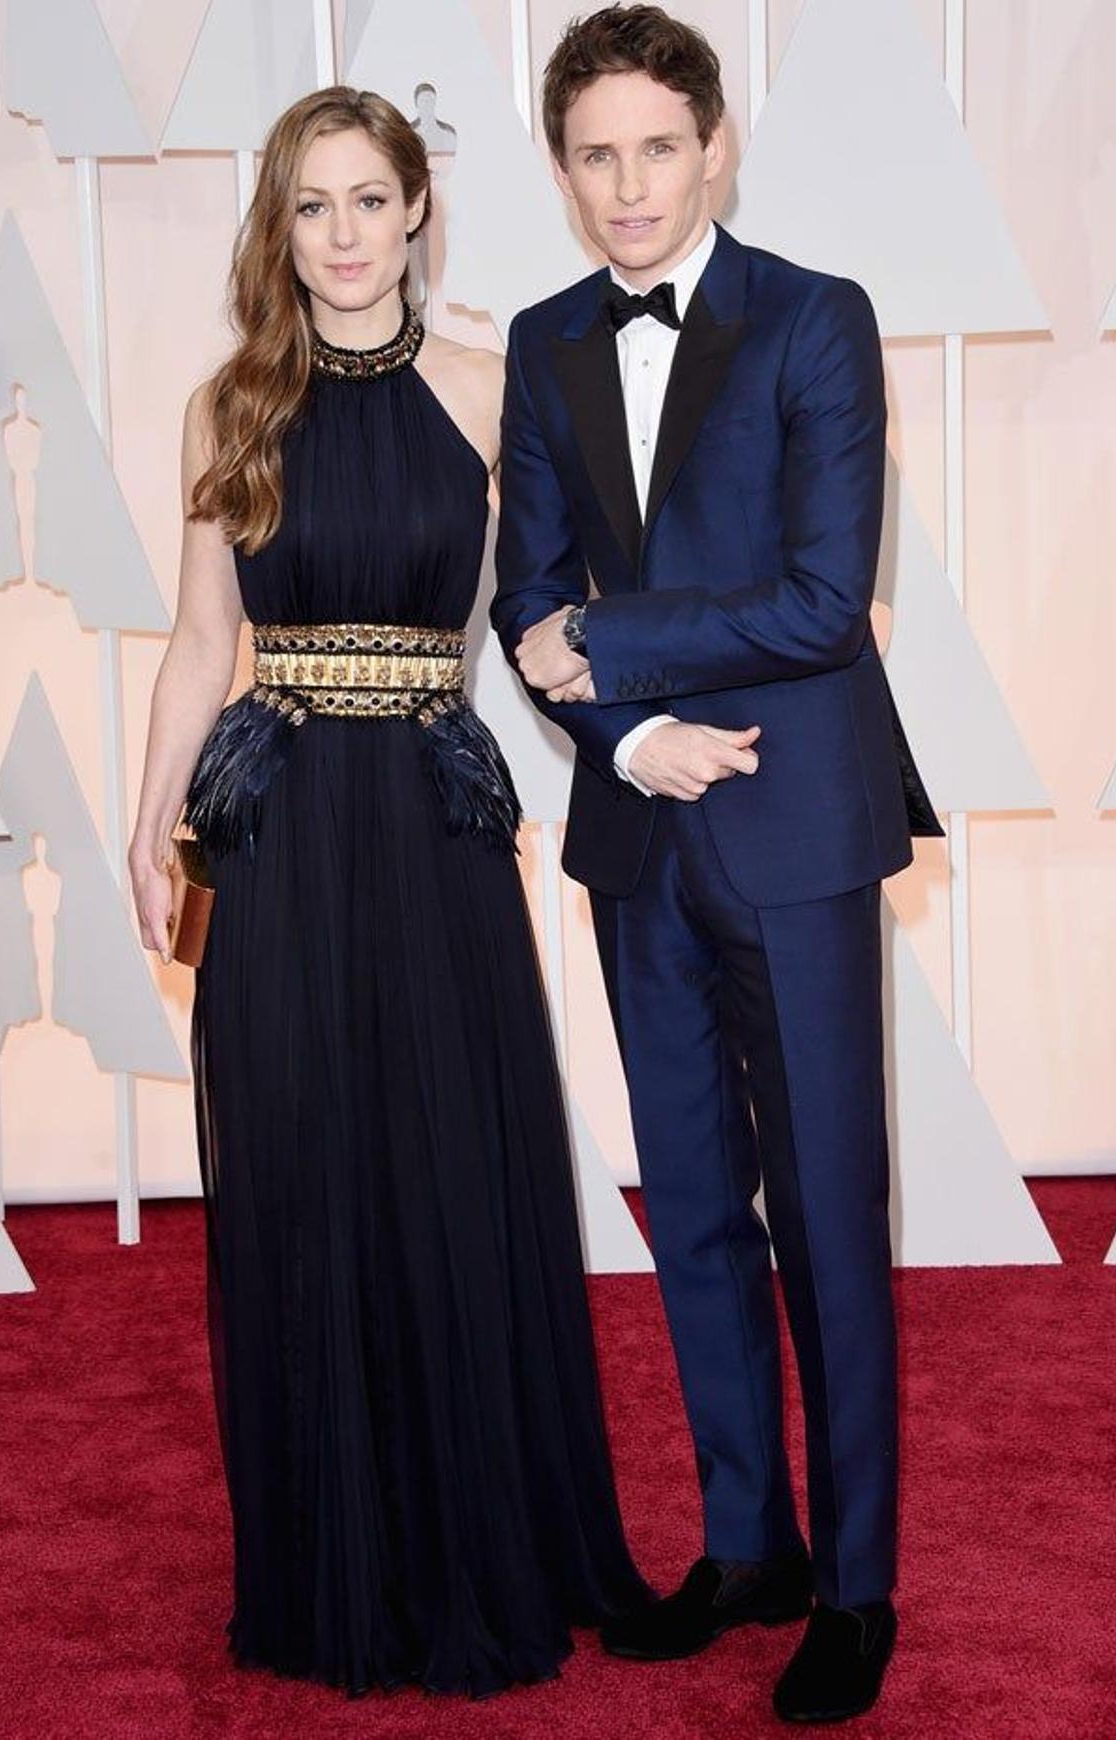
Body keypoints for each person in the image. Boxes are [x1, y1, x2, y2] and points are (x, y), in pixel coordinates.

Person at [129, 85, 647, 1699]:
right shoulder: (230, 409)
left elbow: (547, 618)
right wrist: (152, 822)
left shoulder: (494, 394)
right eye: (311, 207)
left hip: (432, 826)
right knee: (304, 1168)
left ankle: (475, 1540)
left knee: (450, 1166)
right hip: (277, 824)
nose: (344, 236)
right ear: (279, 230)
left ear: (419, 211)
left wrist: (641, 711)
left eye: (370, 201)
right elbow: (206, 639)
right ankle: (328, 1555)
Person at [493, 5, 941, 1725]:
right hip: (637, 828)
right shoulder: (540, 344)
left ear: (715, 145)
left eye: (657, 148)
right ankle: (746, 1542)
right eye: (594, 155)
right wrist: (623, 733)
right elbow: (524, 604)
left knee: (831, 1214)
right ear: (561, 167)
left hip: (797, 826)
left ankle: (859, 1581)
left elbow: (827, 600)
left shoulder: (816, 320)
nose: (627, 187)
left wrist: (622, 650)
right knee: (692, 1211)